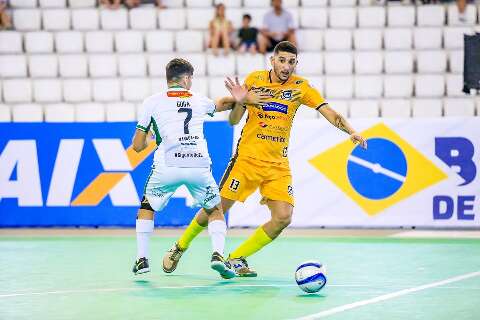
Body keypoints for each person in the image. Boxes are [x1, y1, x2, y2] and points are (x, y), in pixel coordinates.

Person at [163, 41, 367, 277]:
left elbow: (329, 111)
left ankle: (235, 259)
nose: (286, 66)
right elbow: (233, 120)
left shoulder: (301, 87)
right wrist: (241, 100)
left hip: (277, 165)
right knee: (215, 208)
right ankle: (180, 247)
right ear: (272, 60)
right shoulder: (255, 80)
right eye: (282, 60)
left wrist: (351, 131)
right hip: (246, 160)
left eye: (291, 62)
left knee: (283, 217)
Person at [131, 58, 236, 279]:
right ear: (187, 78)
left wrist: (152, 138)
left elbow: (137, 146)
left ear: (168, 78)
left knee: (147, 207)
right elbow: (222, 104)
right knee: (214, 210)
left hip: (167, 165)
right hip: (197, 163)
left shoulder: (152, 102)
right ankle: (217, 255)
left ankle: (142, 260)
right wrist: (239, 98)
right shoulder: (198, 99)